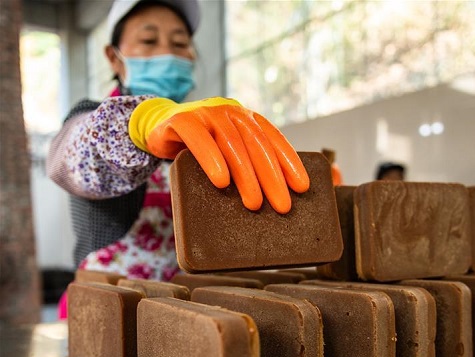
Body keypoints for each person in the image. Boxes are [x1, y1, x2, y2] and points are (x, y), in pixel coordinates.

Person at [46, 0, 309, 316]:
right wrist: (140, 124)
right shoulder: (90, 118)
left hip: (185, 310)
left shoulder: (206, 132)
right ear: (113, 58)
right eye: (148, 40)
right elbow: (69, 159)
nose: (167, 53)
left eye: (180, 43)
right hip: (105, 311)